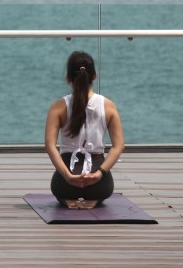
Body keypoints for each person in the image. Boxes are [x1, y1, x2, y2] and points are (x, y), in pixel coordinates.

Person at [44, 50, 124, 209]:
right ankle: (95, 199)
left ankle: (66, 199)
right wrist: (99, 174)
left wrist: (67, 176)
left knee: (59, 189)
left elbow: (50, 145)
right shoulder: (108, 105)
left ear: (68, 78)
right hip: (99, 185)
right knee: (102, 188)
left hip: (66, 184)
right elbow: (118, 146)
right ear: (94, 76)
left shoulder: (58, 107)